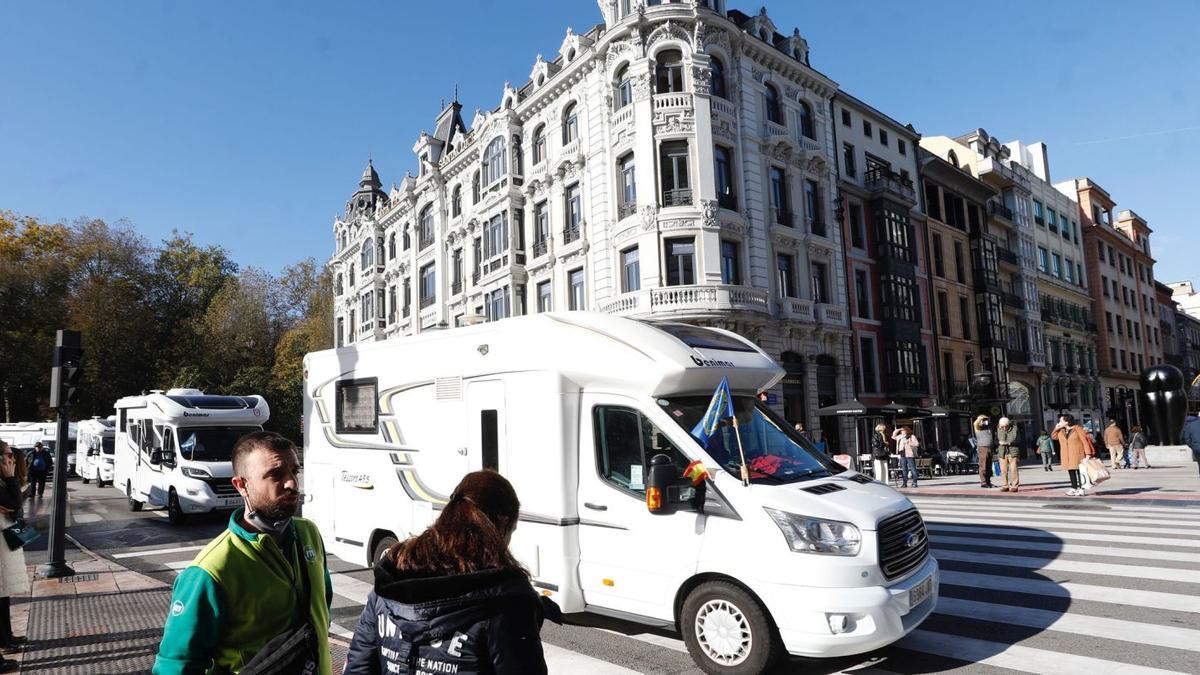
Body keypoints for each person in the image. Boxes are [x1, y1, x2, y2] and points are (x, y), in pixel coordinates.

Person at [153, 431, 333, 675]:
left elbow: (322, 609)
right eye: (276, 475)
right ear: (241, 485)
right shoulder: (211, 569)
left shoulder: (308, 533)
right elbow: (176, 666)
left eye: (294, 471)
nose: (291, 483)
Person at [344, 470, 548, 674]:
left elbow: (358, 667)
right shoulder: (505, 601)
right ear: (502, 523)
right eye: (512, 530)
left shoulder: (393, 579)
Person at [0, 443, 27, 671]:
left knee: (4, 591)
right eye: (8, 455)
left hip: (6, 536)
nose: (12, 459)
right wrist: (10, 479)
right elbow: (14, 503)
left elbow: (16, 509)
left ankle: (6, 637)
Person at [1052, 414, 1097, 496]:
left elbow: (1084, 441)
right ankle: (1073, 488)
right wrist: (1057, 428)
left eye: (1061, 421)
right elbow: (1054, 437)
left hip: (1077, 453)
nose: (1059, 422)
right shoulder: (1061, 430)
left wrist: (1088, 454)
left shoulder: (1077, 429)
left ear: (1067, 421)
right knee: (1071, 471)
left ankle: (1081, 488)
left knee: (1080, 471)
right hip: (1067, 455)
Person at [996, 417, 1020, 492]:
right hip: (1002, 452)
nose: (1004, 428)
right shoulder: (999, 429)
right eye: (1002, 427)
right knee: (1003, 470)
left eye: (1005, 426)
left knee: (1013, 469)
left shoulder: (1015, 429)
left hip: (1013, 452)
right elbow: (995, 440)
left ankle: (1014, 486)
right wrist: (998, 443)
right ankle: (1005, 485)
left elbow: (1019, 441)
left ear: (1008, 424)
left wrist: (1008, 443)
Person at [973, 415, 996, 488]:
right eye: (984, 420)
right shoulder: (978, 428)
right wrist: (980, 418)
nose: (985, 422)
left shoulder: (988, 428)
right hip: (982, 447)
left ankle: (988, 481)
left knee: (989, 465)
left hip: (990, 447)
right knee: (983, 465)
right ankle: (983, 482)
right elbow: (975, 423)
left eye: (986, 420)